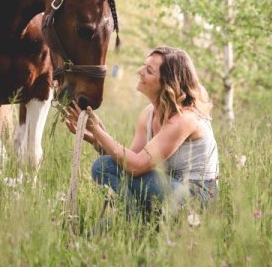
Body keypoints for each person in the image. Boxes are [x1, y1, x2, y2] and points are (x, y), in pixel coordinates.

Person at [65, 46, 219, 218]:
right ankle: (136, 219)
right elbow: (127, 161)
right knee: (96, 235)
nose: (140, 71)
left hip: (195, 198)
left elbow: (135, 167)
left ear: (167, 83)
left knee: (102, 167)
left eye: (149, 70)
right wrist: (95, 139)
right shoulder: (149, 113)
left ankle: (134, 220)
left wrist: (97, 130)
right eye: (143, 66)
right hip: (167, 188)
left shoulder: (184, 119)